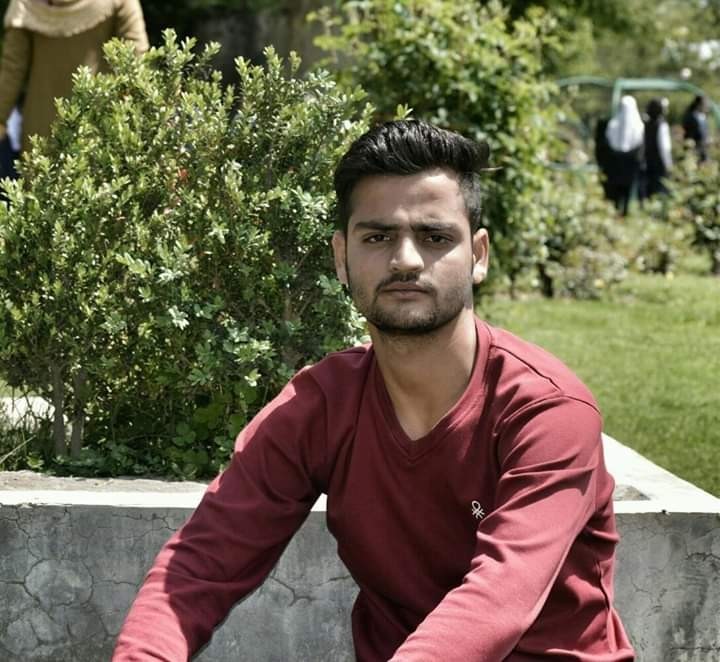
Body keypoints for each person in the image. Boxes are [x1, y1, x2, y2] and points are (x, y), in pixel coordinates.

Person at [113, 119, 636, 661]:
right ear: (342, 257)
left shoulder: (547, 411)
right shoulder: (322, 405)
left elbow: (500, 598)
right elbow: (196, 569)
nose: (405, 259)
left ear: (478, 256)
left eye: (434, 237)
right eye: (378, 237)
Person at [0, 0, 149, 154]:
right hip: (99, 128)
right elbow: (137, 60)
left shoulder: (25, 5)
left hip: (41, 130)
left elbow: (12, 69)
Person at [605, 95, 644, 216]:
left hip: (619, 161)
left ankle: (619, 212)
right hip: (627, 162)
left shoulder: (613, 124)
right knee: (623, 189)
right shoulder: (638, 126)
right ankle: (621, 213)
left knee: (620, 189)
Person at [642, 98, 672, 198]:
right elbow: (664, 148)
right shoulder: (662, 125)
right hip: (659, 163)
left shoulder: (646, 123)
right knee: (661, 191)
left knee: (650, 191)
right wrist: (668, 164)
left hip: (648, 161)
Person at [682, 94, 710, 162]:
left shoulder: (703, 116)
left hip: (703, 148)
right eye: (705, 104)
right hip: (694, 149)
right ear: (699, 104)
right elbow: (688, 134)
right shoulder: (691, 116)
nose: (707, 106)